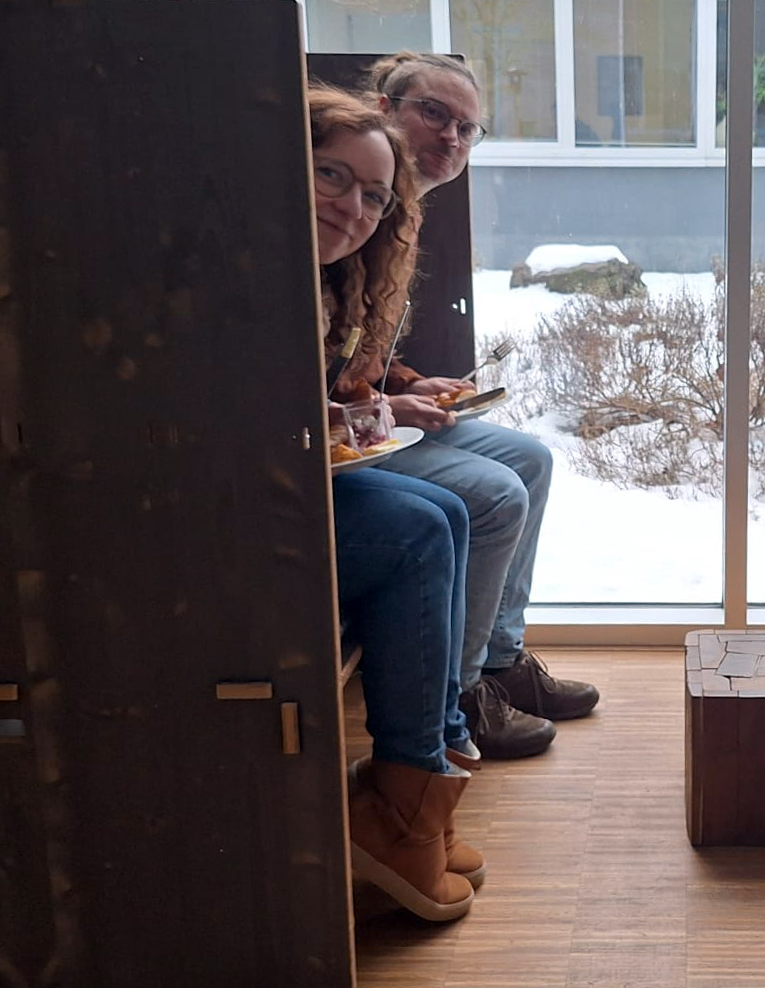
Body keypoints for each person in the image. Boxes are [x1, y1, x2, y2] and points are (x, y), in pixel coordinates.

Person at [343, 50, 599, 761]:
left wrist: (405, 380)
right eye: (434, 113)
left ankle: (499, 661)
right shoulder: (358, 210)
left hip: (372, 419)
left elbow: (351, 350)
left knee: (533, 459)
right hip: (347, 441)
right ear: (386, 110)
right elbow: (317, 364)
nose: (452, 136)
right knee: (493, 496)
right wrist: (388, 402)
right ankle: (460, 696)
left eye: (467, 126)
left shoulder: (401, 212)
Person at [310, 83, 483, 921]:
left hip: (299, 474)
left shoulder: (332, 277)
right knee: (422, 526)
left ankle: (419, 787)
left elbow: (327, 390)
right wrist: (352, 413)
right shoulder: (253, 272)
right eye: (331, 177)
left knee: (443, 515)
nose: (355, 207)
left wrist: (354, 411)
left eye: (373, 195)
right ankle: (407, 813)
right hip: (228, 509)